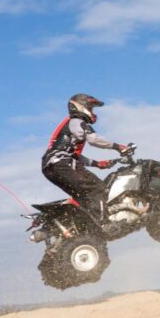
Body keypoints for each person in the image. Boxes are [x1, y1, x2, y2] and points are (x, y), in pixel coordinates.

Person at [42, 93, 131, 223]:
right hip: (61, 164)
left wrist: (96, 164)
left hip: (50, 167)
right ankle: (103, 223)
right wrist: (119, 147)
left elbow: (74, 155)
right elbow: (93, 139)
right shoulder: (77, 121)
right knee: (97, 188)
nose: (92, 112)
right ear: (81, 106)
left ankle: (83, 226)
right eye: (90, 108)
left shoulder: (71, 125)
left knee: (83, 196)